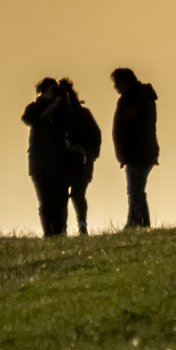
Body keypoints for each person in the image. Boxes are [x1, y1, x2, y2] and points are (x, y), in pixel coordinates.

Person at [21, 79, 72, 236]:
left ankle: (60, 230)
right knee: (45, 200)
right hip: (40, 162)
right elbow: (27, 118)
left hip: (58, 160)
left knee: (61, 198)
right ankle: (49, 232)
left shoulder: (63, 107)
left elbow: (70, 122)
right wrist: (45, 101)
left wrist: (60, 102)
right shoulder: (34, 107)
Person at [110, 68, 159, 229]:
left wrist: (124, 149)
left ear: (125, 81)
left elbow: (131, 126)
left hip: (136, 151)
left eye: (116, 83)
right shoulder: (141, 96)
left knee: (135, 190)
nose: (115, 87)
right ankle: (133, 222)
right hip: (143, 151)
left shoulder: (132, 98)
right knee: (135, 189)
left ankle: (142, 223)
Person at [58, 78, 102, 236]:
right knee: (76, 194)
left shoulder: (70, 115)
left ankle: (71, 226)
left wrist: (89, 153)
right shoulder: (82, 113)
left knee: (71, 194)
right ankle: (78, 225)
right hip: (81, 159)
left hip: (76, 160)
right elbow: (97, 135)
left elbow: (95, 136)